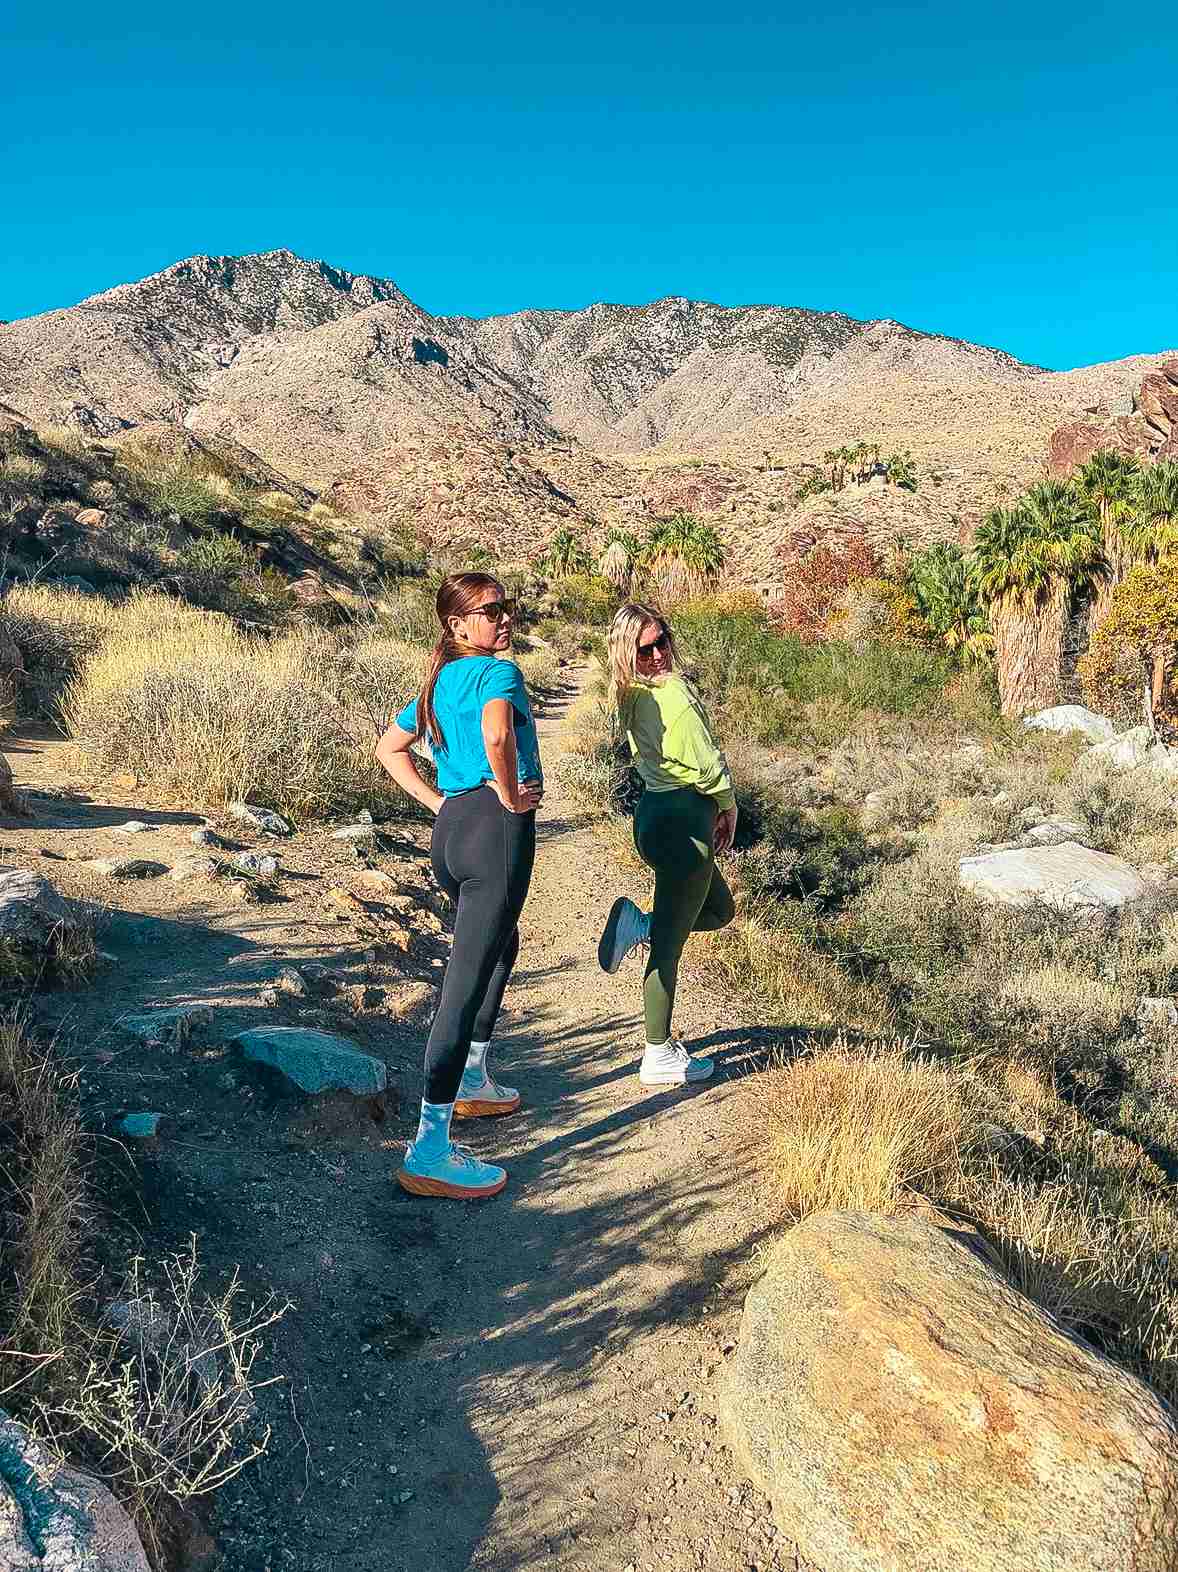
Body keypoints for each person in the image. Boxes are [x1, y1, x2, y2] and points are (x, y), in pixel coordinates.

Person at [375, 572, 542, 1199]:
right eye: (489, 610)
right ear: (458, 624)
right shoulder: (501, 675)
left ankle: (471, 1078)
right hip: (496, 832)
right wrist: (504, 791)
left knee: (502, 944)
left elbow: (391, 749)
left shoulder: (437, 682)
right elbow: (498, 734)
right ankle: (429, 1148)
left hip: (453, 831)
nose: (504, 618)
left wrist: (438, 799)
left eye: (506, 606)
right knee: (461, 986)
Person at [597, 603, 736, 1087]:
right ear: (626, 652)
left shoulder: (631, 693)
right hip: (685, 822)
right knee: (670, 947)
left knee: (719, 910)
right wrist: (729, 804)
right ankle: (657, 1053)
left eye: (662, 641)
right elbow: (706, 761)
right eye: (645, 647)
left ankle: (642, 923)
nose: (658, 653)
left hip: (655, 817)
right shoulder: (674, 692)